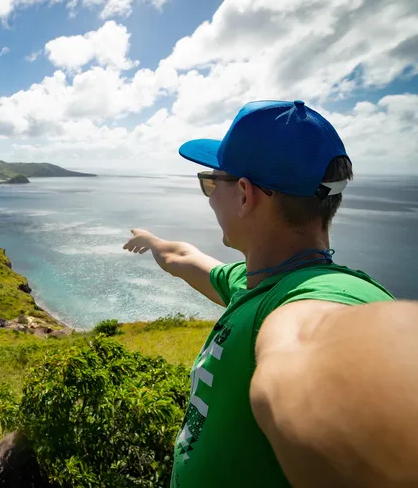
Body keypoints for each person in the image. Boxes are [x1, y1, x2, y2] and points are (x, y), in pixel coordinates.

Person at [123, 100, 418, 487]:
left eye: (211, 182)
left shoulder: (316, 296)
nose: (210, 196)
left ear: (244, 194)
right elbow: (185, 257)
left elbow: (309, 339)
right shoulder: (255, 281)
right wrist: (153, 241)